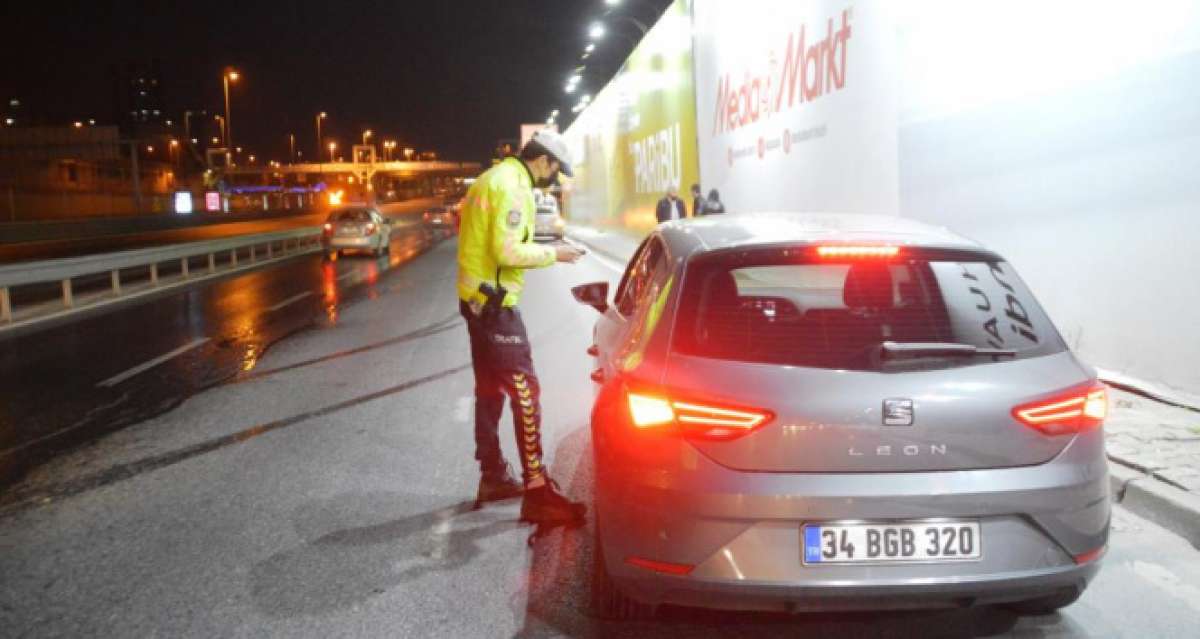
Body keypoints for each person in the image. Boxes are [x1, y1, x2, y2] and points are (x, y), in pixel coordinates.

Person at [457, 129, 588, 525]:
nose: (553, 177)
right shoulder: (514, 186)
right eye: (555, 169)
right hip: (496, 306)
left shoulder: (489, 178)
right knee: (525, 391)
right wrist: (556, 254)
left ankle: (493, 475)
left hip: (474, 301)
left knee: (489, 389)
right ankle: (536, 490)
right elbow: (507, 250)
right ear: (543, 160)